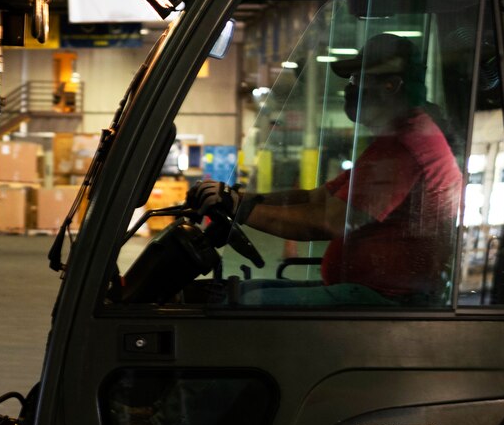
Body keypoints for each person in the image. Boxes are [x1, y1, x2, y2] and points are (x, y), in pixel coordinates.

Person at [192, 34, 463, 306]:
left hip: (385, 299)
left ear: (391, 85)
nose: (350, 89)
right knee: (241, 292)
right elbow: (316, 198)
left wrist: (241, 208)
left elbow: (328, 222)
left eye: (357, 80)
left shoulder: (406, 145)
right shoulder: (398, 137)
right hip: (367, 288)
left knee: (242, 304)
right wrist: (242, 197)